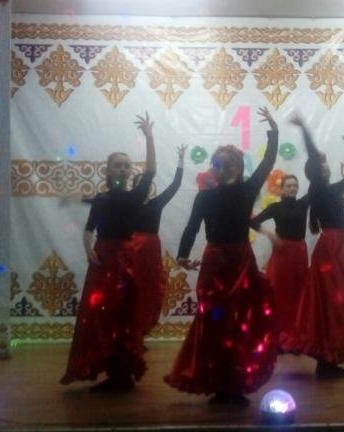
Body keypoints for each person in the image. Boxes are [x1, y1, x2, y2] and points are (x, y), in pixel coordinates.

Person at [164, 107, 279, 405]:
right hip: (215, 262)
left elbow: (267, 163)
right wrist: (182, 255)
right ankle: (217, 381)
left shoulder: (248, 189)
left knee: (241, 321)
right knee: (214, 321)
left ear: (238, 167)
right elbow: (191, 227)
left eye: (230, 164)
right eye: (219, 164)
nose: (224, 168)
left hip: (241, 262)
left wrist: (273, 132)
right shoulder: (204, 197)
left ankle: (235, 383)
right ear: (213, 168)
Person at [61, 112, 156, 392]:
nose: (123, 169)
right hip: (103, 260)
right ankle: (109, 370)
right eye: (118, 165)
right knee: (102, 316)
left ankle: (122, 374)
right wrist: (87, 249)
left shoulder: (135, 196)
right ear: (108, 171)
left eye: (127, 166)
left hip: (124, 260)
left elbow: (151, 171)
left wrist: (149, 136)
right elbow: (89, 229)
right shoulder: (101, 199)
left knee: (123, 314)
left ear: (129, 172)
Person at [279, 114, 344, 379]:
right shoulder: (317, 188)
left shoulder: (334, 189)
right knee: (331, 303)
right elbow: (314, 155)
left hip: (339, 247)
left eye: (326, 165)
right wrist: (304, 127)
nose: (324, 167)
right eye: (320, 166)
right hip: (331, 250)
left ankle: (329, 359)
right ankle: (326, 361)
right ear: (315, 172)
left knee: (335, 303)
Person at [126, 145, 187, 338]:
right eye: (138, 185)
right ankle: (128, 330)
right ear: (134, 188)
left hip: (151, 249)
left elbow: (175, 185)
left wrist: (181, 160)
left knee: (150, 286)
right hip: (131, 248)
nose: (142, 188)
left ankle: (142, 328)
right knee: (130, 286)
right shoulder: (126, 205)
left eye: (145, 185)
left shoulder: (156, 203)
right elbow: (101, 202)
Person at [249, 174, 309, 350]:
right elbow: (252, 222)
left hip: (299, 253)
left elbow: (317, 187)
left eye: (295, 185)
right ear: (282, 189)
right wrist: (270, 234)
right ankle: (277, 337)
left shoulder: (303, 203)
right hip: (282, 253)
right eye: (289, 186)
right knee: (279, 293)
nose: (292, 188)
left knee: (299, 293)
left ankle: (296, 336)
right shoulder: (275, 207)